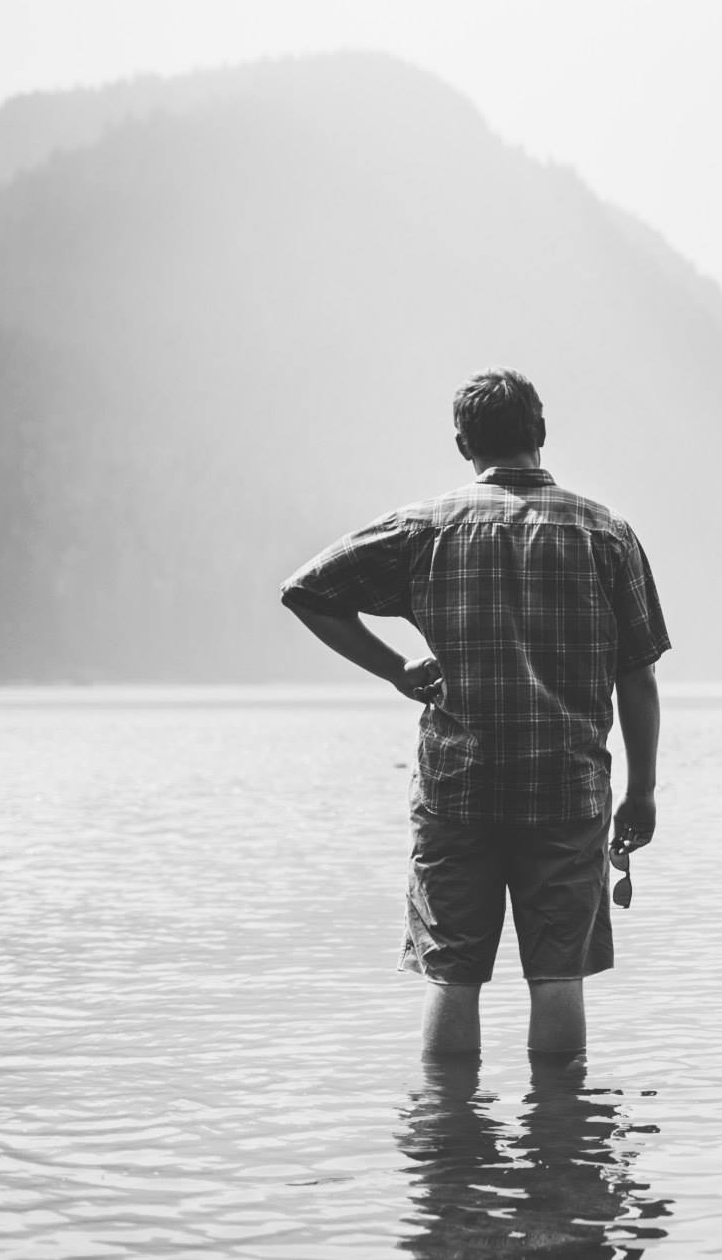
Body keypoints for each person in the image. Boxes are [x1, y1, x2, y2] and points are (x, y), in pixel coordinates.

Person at [280, 367, 669, 1059]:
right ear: (541, 433)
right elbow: (636, 680)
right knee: (557, 977)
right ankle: (560, 1151)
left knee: (453, 975)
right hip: (567, 788)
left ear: (463, 442)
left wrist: (396, 668)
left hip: (458, 789)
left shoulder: (423, 529)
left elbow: (308, 591)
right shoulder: (606, 534)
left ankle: (449, 1149)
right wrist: (640, 792)